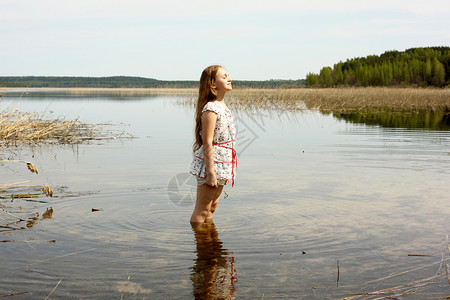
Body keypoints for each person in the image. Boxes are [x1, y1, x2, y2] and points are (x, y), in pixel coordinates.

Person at [189, 65, 236, 224]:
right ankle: (201, 243)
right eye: (224, 77)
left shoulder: (223, 107)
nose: (229, 79)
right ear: (212, 84)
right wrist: (211, 173)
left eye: (228, 76)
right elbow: (208, 142)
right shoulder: (211, 108)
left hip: (222, 165)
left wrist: (226, 171)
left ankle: (209, 243)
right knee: (202, 210)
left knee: (212, 208)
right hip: (211, 166)